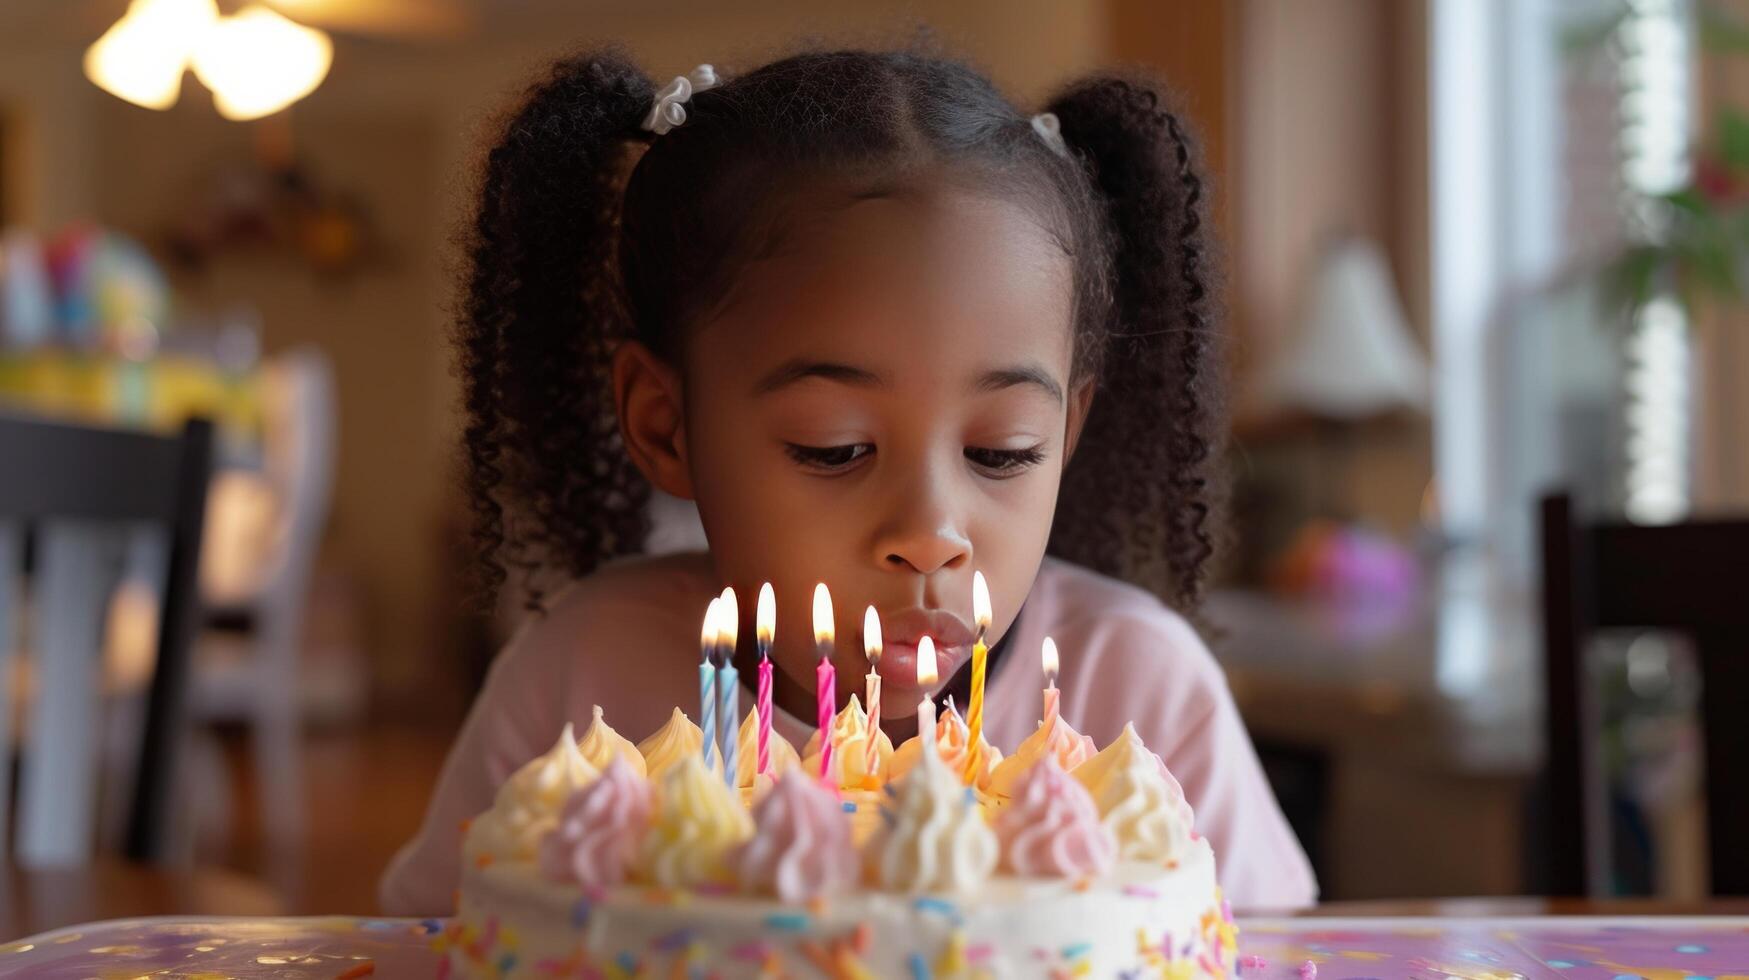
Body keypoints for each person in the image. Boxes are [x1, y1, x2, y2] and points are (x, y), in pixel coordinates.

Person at [380, 44, 1317, 915]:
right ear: (665, 424)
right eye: (834, 449)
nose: (930, 531)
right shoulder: (578, 685)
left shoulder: (1141, 694)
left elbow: (1268, 955)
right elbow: (430, 945)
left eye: (1002, 450)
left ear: (1069, 431)